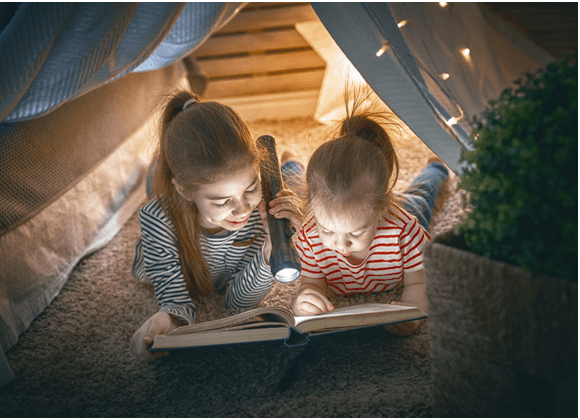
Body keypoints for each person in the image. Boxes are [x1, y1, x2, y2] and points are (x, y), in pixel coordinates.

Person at [131, 91, 303, 361]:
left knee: (296, 187)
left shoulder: (261, 211)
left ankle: (288, 165)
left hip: (224, 187)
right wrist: (167, 321)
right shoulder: (157, 219)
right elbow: (175, 299)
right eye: (222, 201)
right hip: (171, 199)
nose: (242, 209)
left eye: (251, 188)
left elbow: (237, 302)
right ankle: (160, 166)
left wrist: (271, 251)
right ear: (185, 190)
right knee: (154, 182)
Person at [292, 90, 449, 336]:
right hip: (315, 195)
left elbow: (420, 281)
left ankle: (436, 167)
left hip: (406, 208)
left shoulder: (404, 230)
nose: (341, 245)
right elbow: (312, 282)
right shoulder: (309, 236)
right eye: (328, 231)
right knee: (292, 182)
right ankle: (291, 164)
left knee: (421, 194)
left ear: (381, 210)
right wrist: (306, 298)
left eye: (355, 232)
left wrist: (412, 313)